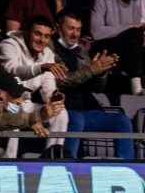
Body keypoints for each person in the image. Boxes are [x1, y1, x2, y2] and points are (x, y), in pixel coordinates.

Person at [51, 11, 134, 160]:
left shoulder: (81, 51)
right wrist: (91, 70)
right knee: (77, 119)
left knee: (122, 121)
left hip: (86, 110)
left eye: (78, 29)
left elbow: (96, 88)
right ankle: (70, 164)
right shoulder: (49, 50)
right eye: (70, 28)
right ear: (57, 28)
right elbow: (61, 81)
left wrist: (101, 73)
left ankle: (127, 168)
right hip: (61, 111)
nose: (75, 34)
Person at [0, 14, 72, 157]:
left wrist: (53, 96)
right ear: (26, 31)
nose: (42, 40)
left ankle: (53, 159)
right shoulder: (8, 45)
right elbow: (12, 71)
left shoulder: (47, 54)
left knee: (60, 112)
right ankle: (7, 162)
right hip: (4, 103)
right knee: (14, 113)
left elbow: (48, 87)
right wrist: (41, 67)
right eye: (37, 34)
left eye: (46, 36)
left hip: (26, 103)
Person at [90, 0, 145, 96]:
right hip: (104, 47)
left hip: (125, 51)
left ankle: (143, 86)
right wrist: (130, 26)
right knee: (135, 32)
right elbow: (96, 32)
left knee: (143, 42)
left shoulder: (135, 5)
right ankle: (136, 87)